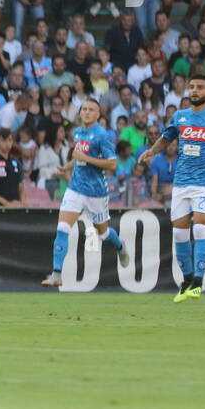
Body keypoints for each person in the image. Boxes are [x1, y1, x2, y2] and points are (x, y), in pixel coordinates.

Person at [136, 66, 205, 302]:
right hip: (180, 183)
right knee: (180, 233)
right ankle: (186, 280)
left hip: (204, 182)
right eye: (192, 87)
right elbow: (167, 137)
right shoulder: (180, 116)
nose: (194, 90)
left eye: (200, 87)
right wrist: (152, 151)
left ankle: (198, 283)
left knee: (201, 228)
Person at [41, 99, 130, 287]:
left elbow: (112, 164)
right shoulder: (78, 133)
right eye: (84, 109)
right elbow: (78, 158)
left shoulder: (102, 135)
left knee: (103, 233)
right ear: (80, 113)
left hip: (96, 192)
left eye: (91, 110)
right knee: (63, 228)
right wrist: (66, 166)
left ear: (98, 114)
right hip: (75, 188)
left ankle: (120, 245)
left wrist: (85, 158)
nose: (87, 112)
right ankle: (56, 273)